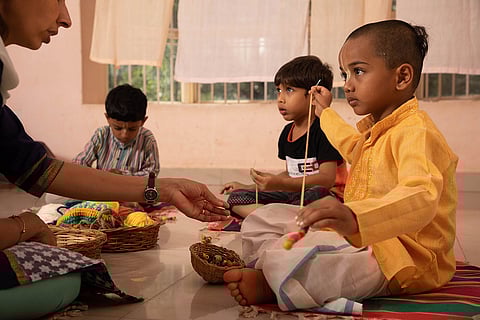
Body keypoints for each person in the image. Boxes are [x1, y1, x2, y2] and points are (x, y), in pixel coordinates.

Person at [0, 1, 228, 319]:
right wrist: (23, 225)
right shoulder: (99, 135)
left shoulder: (147, 140)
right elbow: (59, 172)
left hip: (124, 198)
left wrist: (163, 188)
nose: (65, 18)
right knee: (68, 278)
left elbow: (40, 168)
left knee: (71, 272)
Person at [224, 20, 458, 314]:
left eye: (358, 71)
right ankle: (276, 264)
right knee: (264, 219)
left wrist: (354, 217)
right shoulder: (379, 129)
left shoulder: (417, 133)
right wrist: (325, 113)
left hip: (404, 256)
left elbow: (421, 196)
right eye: (346, 73)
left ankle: (272, 282)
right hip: (361, 232)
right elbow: (352, 146)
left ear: (402, 77)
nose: (347, 84)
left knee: (336, 266)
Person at [221, 56, 347, 218]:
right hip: (295, 198)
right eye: (278, 90)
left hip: (326, 198)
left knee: (316, 194)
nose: (280, 98)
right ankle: (283, 218)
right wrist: (255, 186)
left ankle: (276, 217)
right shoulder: (288, 132)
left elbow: (326, 180)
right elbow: (290, 174)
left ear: (314, 95)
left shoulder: (325, 129)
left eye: (289, 90)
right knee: (237, 198)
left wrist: (280, 184)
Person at [74, 83, 160, 177]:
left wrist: (124, 176)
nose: (124, 135)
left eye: (132, 129)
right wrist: (98, 176)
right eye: (118, 128)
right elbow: (80, 162)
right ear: (107, 118)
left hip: (131, 189)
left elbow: (152, 172)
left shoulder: (147, 139)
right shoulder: (101, 135)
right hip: (102, 187)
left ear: (143, 121)